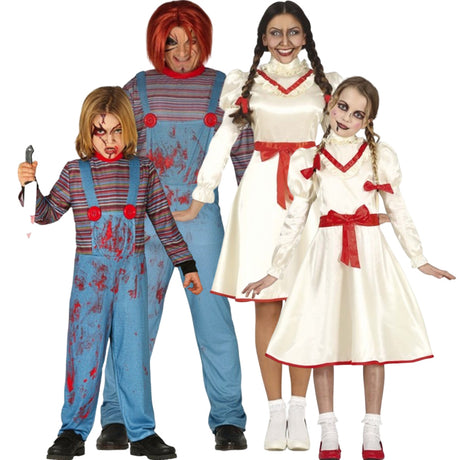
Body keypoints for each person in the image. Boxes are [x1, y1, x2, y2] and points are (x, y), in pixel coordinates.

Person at [243, 76, 455, 460]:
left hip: (369, 258)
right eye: (343, 106)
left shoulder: (379, 156)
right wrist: (275, 270)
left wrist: (419, 258)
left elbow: (397, 209)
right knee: (323, 342)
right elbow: (295, 217)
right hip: (327, 258)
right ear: (331, 104)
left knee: (371, 342)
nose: (346, 117)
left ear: (367, 121)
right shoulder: (311, 159)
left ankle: (372, 430)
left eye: (358, 114)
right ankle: (328, 429)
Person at [175, 0, 341, 451]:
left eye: (292, 32)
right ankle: (275, 411)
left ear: (305, 37)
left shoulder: (326, 83)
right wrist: (201, 194)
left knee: (305, 303)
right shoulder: (245, 84)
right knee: (266, 305)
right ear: (263, 39)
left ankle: (300, 411)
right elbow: (224, 138)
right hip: (261, 195)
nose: (284, 41)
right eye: (275, 33)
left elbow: (341, 143)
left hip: (309, 194)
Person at [97, 1, 253, 452]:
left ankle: (229, 419)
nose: (182, 52)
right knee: (134, 320)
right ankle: (116, 416)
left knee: (214, 320)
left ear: (204, 39)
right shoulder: (138, 89)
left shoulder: (225, 89)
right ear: (157, 45)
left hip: (201, 221)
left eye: (191, 41)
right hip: (144, 223)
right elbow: (112, 150)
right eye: (171, 43)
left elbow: (245, 159)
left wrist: (258, 222)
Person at [17, 86, 202, 460]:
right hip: (90, 280)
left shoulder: (144, 170)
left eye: (117, 130)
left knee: (134, 355)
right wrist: (28, 186)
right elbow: (44, 215)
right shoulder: (75, 172)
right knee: (83, 352)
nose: (110, 140)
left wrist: (187, 264)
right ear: (87, 132)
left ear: (129, 129)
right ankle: (72, 431)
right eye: (100, 131)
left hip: (132, 278)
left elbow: (164, 223)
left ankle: (142, 432)